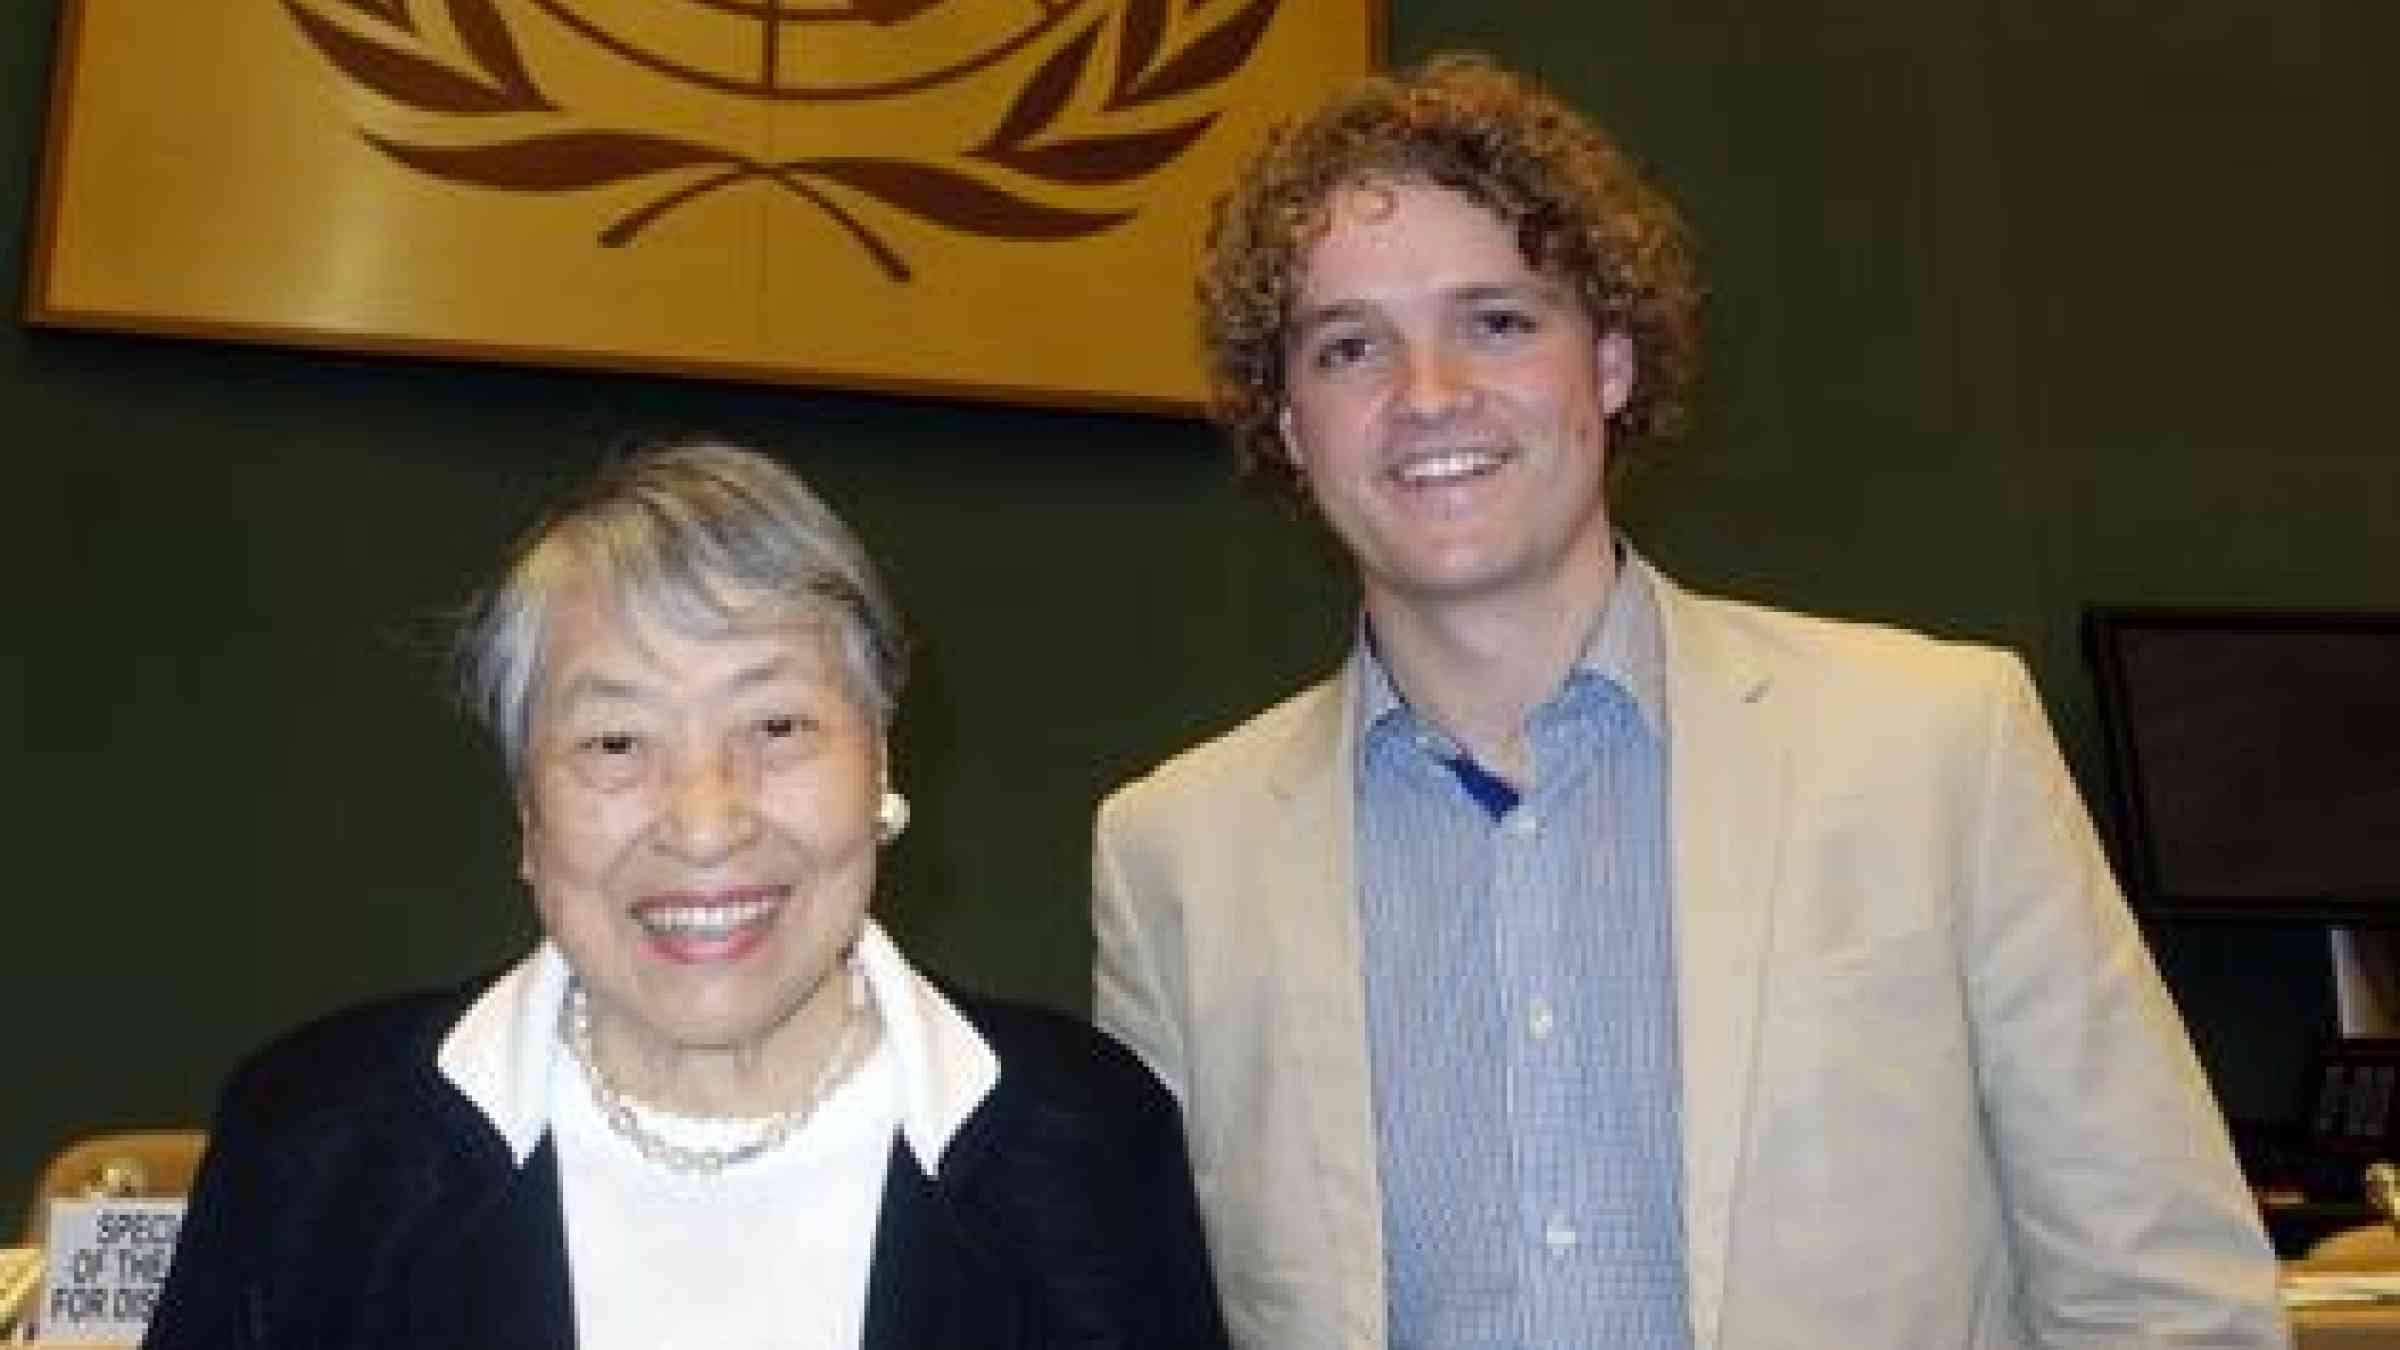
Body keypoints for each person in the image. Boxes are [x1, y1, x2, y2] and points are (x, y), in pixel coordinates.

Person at [1090, 54, 2286, 1349]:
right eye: (1349, 345)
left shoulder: (1937, 747)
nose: (1426, 393)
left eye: (1497, 320)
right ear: (1289, 419)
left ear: (1609, 361)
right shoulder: (1174, 857)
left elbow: (2162, 1298)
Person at [149, 443, 1229, 1349]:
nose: (706, 822)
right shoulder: (317, 1145)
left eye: (778, 727)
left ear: (881, 767)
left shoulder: (1088, 1138)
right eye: (615, 741)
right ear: (527, 810)